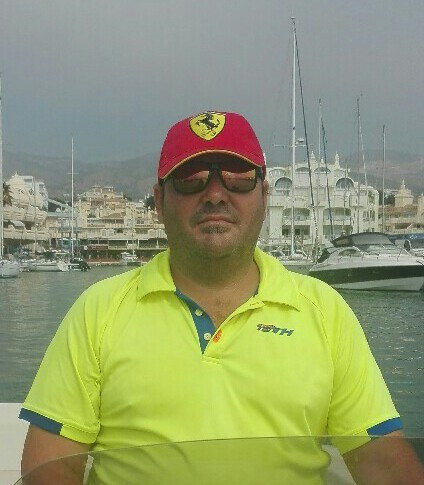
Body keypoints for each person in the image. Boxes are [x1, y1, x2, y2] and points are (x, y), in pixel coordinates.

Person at [20, 111, 423, 484]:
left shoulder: (325, 310)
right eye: (191, 178)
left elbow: (381, 460)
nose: (215, 194)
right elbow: (50, 464)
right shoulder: (98, 311)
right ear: (159, 202)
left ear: (264, 195)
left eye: (237, 177)